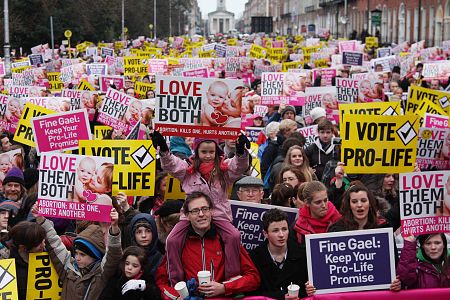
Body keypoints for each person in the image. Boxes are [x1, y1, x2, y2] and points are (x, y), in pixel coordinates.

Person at [152, 131, 250, 286]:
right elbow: (172, 164)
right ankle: (177, 282)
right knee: (172, 240)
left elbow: (239, 166)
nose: (208, 155)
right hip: (191, 216)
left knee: (234, 236)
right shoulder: (188, 170)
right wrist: (164, 150)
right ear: (196, 151)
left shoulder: (224, 170)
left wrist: (241, 152)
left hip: (218, 215)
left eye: (212, 152)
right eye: (204, 151)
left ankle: (232, 279)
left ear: (217, 151)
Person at [155, 191, 261, 299]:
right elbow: (161, 282)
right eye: (195, 211)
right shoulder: (178, 244)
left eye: (205, 209)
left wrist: (225, 287)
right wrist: (177, 297)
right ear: (187, 215)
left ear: (211, 211)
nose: (201, 214)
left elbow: (253, 278)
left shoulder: (227, 241)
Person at [33, 207, 122, 300]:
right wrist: (41, 219)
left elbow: (113, 254)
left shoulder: (101, 273)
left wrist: (114, 228)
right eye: (76, 253)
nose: (77, 258)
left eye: (82, 254)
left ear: (95, 255)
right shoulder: (68, 269)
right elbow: (55, 244)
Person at [250, 208, 307, 299]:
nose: (281, 235)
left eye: (284, 229)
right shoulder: (254, 258)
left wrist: (308, 289)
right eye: (275, 230)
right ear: (265, 233)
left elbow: (306, 288)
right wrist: (281, 297)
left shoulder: (302, 254)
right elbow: (252, 294)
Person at [2, 221, 46, 300]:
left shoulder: (48, 256)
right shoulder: (6, 267)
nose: (43, 245)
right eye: (39, 244)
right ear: (23, 247)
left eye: (43, 241)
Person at [291, 181, 341, 246]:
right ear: (307, 203)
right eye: (318, 202)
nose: (323, 205)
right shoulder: (297, 228)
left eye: (325, 200)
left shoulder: (340, 221)